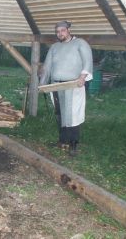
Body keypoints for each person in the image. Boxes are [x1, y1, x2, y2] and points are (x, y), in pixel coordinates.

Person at [40, 21, 93, 156]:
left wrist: (82, 77)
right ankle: (62, 141)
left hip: (74, 84)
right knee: (60, 113)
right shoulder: (55, 47)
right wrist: (42, 83)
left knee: (73, 115)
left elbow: (88, 61)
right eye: (57, 31)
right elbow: (47, 67)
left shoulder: (80, 43)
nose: (60, 33)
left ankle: (74, 144)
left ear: (69, 30)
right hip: (57, 85)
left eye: (62, 30)